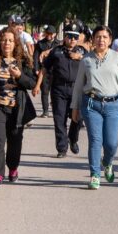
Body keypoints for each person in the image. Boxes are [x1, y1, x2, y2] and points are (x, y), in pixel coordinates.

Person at [71, 25, 118, 189]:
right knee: (95, 140)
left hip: (113, 105)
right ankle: (95, 175)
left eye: (105, 37)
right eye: (98, 37)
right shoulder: (86, 60)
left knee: (112, 143)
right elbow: (79, 86)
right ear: (93, 40)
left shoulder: (117, 58)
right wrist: (75, 107)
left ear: (110, 40)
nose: (101, 40)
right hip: (91, 104)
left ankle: (107, 162)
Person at [0, 28, 37, 186]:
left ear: (16, 43)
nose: (7, 43)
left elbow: (32, 83)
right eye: (4, 40)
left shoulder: (23, 60)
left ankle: (13, 168)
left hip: (17, 108)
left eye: (10, 40)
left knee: (15, 141)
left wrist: (19, 76)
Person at [34, 23, 86, 158]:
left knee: (78, 119)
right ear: (65, 37)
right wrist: (37, 85)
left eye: (75, 37)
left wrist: (80, 57)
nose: (72, 40)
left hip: (77, 89)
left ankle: (73, 139)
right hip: (59, 89)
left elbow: (94, 64)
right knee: (59, 119)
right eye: (69, 36)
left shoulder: (83, 52)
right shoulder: (56, 51)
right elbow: (44, 68)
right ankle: (62, 148)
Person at [34, 25, 60, 117]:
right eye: (47, 33)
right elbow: (36, 56)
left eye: (50, 33)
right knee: (44, 91)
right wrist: (36, 69)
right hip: (44, 70)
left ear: (55, 34)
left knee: (55, 91)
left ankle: (56, 109)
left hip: (56, 71)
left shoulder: (58, 44)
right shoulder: (40, 43)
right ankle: (45, 111)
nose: (48, 35)